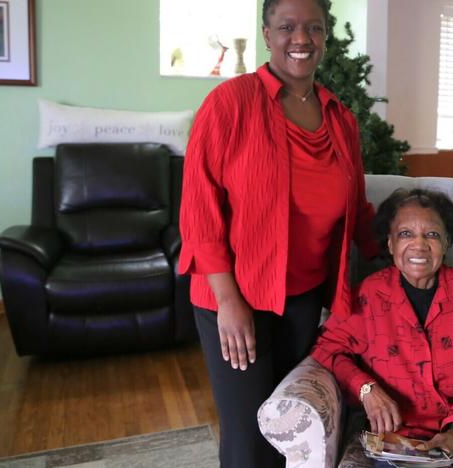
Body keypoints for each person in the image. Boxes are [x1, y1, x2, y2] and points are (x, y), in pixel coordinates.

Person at [178, 0, 378, 466]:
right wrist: (228, 300)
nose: (301, 38)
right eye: (287, 27)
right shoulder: (230, 104)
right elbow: (199, 211)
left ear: (325, 36)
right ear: (267, 34)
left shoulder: (340, 119)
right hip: (234, 296)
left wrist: (394, 256)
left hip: (303, 298)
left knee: (288, 428)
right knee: (248, 437)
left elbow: (358, 208)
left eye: (314, 27)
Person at [311, 188, 453, 468]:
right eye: (406, 234)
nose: (419, 245)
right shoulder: (368, 295)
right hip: (402, 432)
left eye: (431, 234)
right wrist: (366, 389)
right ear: (390, 244)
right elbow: (326, 348)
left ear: (446, 242)